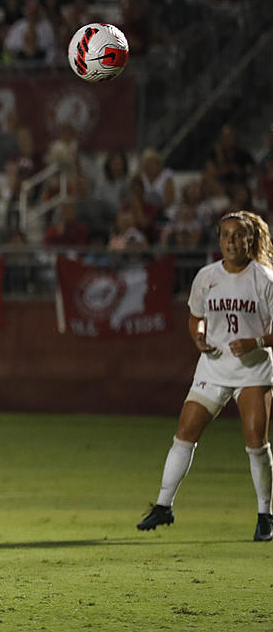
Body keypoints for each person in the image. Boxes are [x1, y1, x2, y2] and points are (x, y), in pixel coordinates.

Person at [137, 211, 273, 542]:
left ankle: (265, 515)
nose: (231, 241)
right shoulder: (207, 276)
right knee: (184, 433)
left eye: (238, 235)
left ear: (250, 240)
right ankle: (163, 505)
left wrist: (255, 342)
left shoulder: (264, 279)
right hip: (213, 366)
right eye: (225, 234)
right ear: (219, 239)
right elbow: (196, 316)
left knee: (255, 441)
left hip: (254, 368)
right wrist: (198, 337)